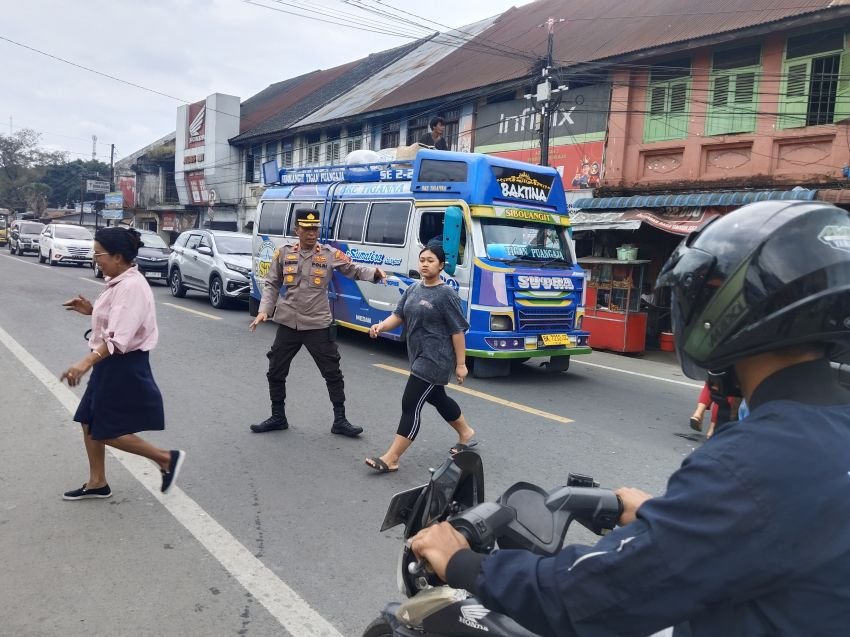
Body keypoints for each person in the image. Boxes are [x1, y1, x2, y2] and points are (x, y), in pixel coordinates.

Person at [409, 200, 850, 636]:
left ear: (732, 309)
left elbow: (593, 596)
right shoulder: (826, 429)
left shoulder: (752, 464)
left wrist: (465, 563)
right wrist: (666, 517)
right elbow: (773, 531)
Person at [61, 227, 185, 500]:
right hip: (111, 363)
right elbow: (117, 319)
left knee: (104, 429)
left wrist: (84, 363)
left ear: (117, 256)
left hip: (122, 364)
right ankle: (97, 482)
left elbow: (119, 338)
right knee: (88, 420)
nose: (95, 259)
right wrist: (92, 310)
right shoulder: (119, 281)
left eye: (99, 254)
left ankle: (165, 458)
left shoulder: (131, 286)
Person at [249, 208, 387, 436]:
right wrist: (264, 310)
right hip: (288, 323)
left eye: (315, 229)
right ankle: (278, 416)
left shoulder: (329, 254)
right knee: (275, 370)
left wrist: (375, 273)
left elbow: (352, 270)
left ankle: (340, 420)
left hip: (318, 323)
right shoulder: (283, 254)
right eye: (306, 229)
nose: (311, 233)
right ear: (297, 230)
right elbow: (272, 284)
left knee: (332, 372)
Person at [364, 245, 475, 473]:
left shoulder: (446, 295)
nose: (425, 264)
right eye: (422, 259)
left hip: (436, 359)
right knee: (437, 398)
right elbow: (399, 315)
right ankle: (466, 432)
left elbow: (457, 331)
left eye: (431, 260)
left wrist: (461, 365)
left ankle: (392, 458)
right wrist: (380, 326)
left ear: (441, 265)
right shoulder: (413, 288)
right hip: (417, 355)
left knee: (410, 404)